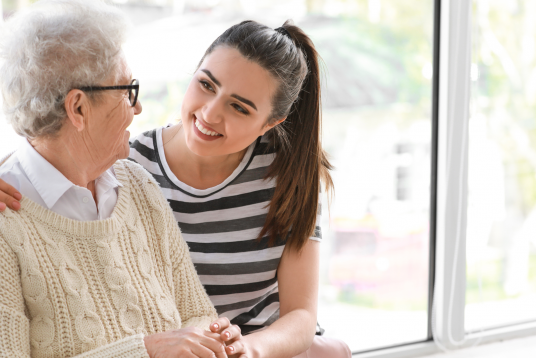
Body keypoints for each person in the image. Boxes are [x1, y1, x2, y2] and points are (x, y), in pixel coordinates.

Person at [0, 13, 352, 358]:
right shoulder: (133, 164)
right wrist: (150, 350)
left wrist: (240, 346)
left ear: (271, 123)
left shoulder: (134, 183)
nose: (210, 114)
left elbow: (219, 317)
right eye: (206, 84)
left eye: (240, 108)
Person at [0, 1, 246, 357]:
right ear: (78, 108)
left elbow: (195, 313)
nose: (138, 108)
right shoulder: (7, 222)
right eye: (127, 91)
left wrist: (213, 340)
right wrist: (144, 351)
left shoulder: (137, 184)